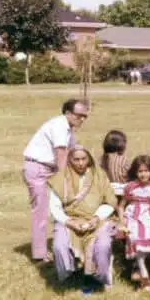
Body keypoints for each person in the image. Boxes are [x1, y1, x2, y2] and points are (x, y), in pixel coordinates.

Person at [22, 98, 88, 263]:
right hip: (38, 168)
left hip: (48, 169)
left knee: (65, 207)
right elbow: (61, 155)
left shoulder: (68, 129)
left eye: (85, 116)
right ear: (68, 113)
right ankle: (39, 254)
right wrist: (64, 179)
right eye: (79, 115)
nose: (82, 119)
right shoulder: (59, 125)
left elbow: (74, 150)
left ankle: (70, 245)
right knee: (41, 211)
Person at [47, 146, 118, 288]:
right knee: (59, 245)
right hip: (69, 220)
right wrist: (69, 222)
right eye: (76, 159)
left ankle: (97, 276)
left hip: (97, 219)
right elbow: (54, 207)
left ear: (89, 159)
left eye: (83, 159)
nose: (80, 163)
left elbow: (109, 202)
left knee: (102, 245)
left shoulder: (99, 175)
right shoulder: (60, 178)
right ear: (70, 160)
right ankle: (69, 275)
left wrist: (96, 218)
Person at [118, 155, 150, 290]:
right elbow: (121, 205)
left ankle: (139, 266)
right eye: (140, 171)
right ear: (135, 172)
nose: (144, 174)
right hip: (133, 215)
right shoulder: (131, 187)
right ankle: (144, 272)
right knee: (135, 235)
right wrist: (122, 221)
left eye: (146, 171)